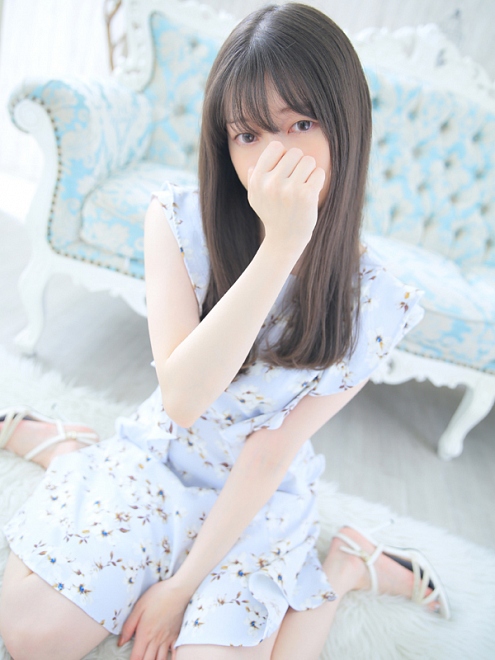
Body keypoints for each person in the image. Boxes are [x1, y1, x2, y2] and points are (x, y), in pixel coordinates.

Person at [0, 3, 450, 660]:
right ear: (224, 143)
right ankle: (71, 451)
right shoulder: (179, 223)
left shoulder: (378, 300)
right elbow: (184, 400)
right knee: (32, 636)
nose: (274, 156)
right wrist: (280, 246)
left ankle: (350, 564)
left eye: (301, 123)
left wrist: (179, 588)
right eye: (247, 134)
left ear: (345, 126)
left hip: (255, 495)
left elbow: (269, 452)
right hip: (161, 455)